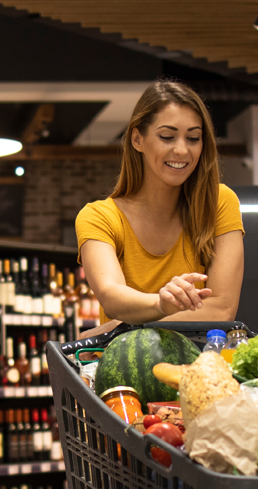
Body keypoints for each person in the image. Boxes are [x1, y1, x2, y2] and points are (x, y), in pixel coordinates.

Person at [76, 79, 244, 328]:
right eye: (167, 136)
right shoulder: (99, 217)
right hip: (123, 367)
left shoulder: (218, 203)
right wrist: (161, 305)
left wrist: (122, 325)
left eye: (193, 138)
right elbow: (112, 297)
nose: (181, 150)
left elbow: (222, 309)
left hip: (197, 365)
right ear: (137, 140)